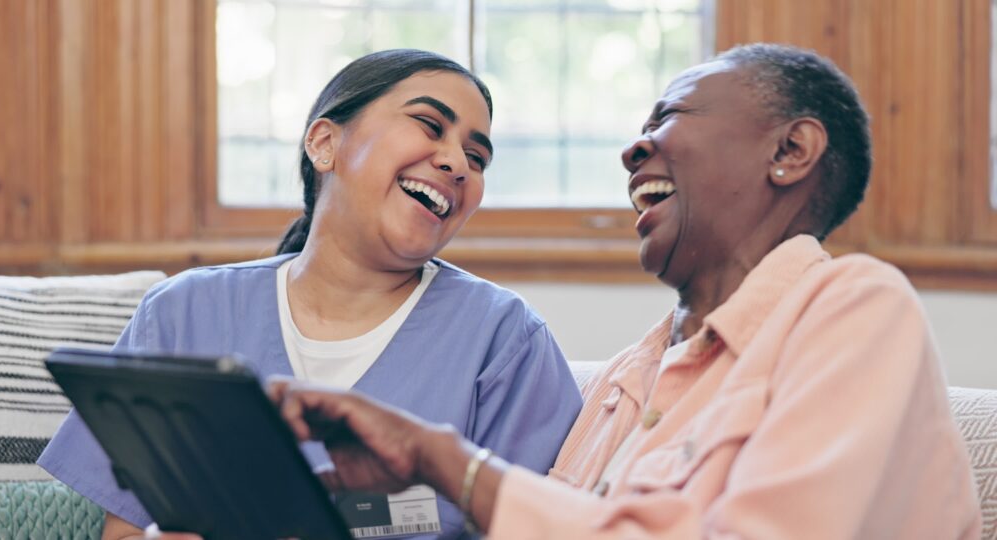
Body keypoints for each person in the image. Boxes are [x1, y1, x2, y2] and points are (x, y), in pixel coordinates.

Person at [269, 43, 982, 539]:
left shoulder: (856, 308)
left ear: (790, 153)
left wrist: (449, 463)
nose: (633, 149)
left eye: (670, 119)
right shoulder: (624, 380)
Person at [37, 49, 583, 540]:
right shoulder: (183, 313)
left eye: (478, 157)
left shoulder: (506, 340)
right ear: (325, 143)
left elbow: (550, 526)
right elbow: (127, 532)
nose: (457, 163)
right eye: (428, 124)